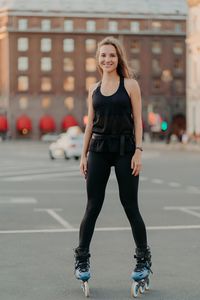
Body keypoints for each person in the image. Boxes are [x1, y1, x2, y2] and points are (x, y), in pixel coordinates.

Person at [74, 36, 152, 283]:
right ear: (98, 59)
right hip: (98, 148)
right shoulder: (93, 89)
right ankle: (82, 257)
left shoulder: (130, 85)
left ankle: (143, 259)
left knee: (130, 205)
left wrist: (139, 150)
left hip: (125, 150)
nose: (107, 59)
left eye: (112, 55)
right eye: (103, 55)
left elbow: (138, 120)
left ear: (118, 59)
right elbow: (89, 125)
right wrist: (83, 155)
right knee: (92, 206)